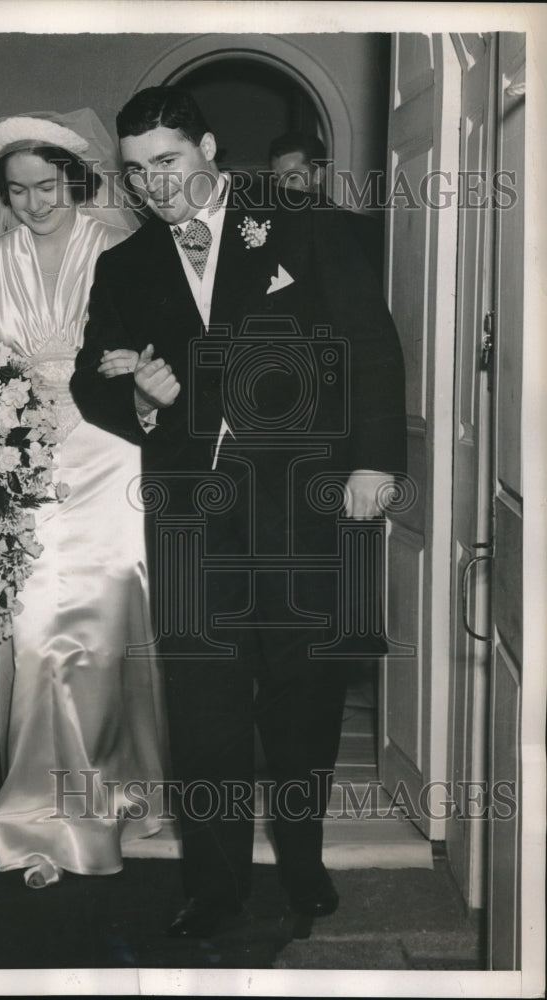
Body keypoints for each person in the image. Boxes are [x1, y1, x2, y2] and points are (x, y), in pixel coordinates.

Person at [71, 87, 407, 938]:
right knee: (205, 710)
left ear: (210, 147)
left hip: (304, 506)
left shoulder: (301, 224)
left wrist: (374, 459)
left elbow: (369, 340)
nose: (157, 186)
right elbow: (90, 378)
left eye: (172, 162)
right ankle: (215, 886)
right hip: (191, 520)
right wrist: (140, 402)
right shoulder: (126, 265)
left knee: (303, 699)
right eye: (140, 170)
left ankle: (301, 860)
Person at [0, 112, 166, 889]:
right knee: (37, 625)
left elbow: (157, 342)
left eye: (47, 187)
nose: (35, 204)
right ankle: (43, 803)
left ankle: (126, 781)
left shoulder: (117, 245)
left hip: (109, 445)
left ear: (74, 179)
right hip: (23, 455)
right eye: (17, 190)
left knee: (111, 612)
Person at [269, 130, 383, 274]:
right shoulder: (270, 230)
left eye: (292, 178)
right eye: (276, 179)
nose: (281, 188)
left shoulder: (360, 229)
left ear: (318, 175)